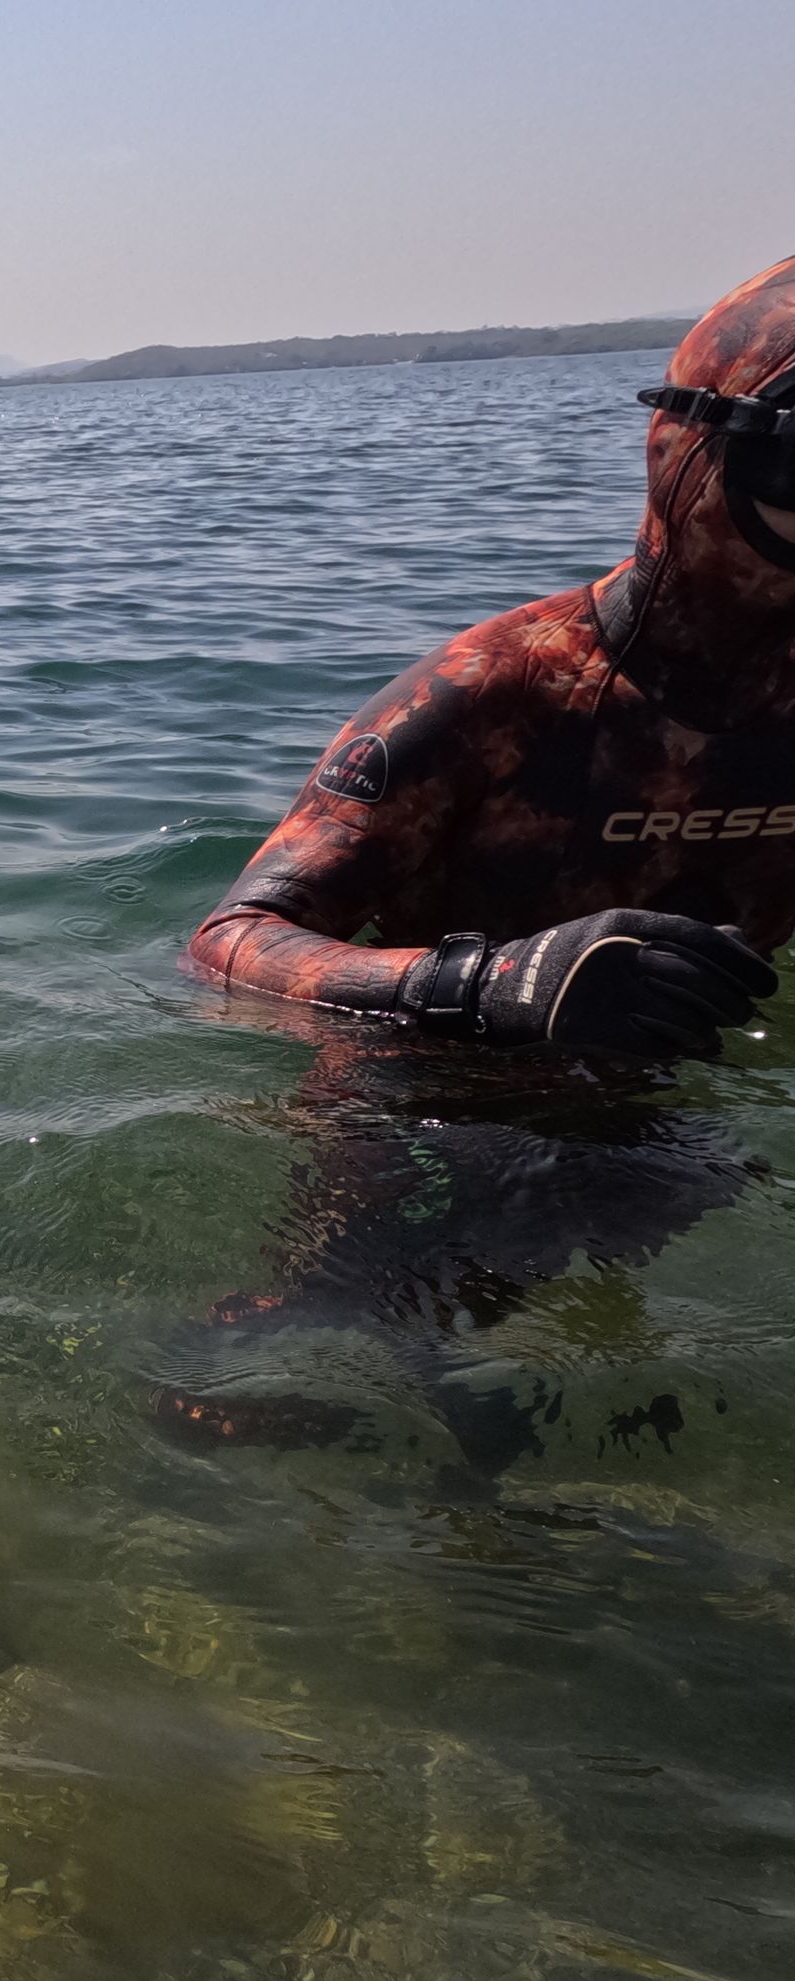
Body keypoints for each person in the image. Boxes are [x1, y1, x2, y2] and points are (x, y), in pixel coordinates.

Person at [167, 258, 795, 1461]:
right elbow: (226, 946)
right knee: (290, 1379)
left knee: (603, 1407)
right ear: (699, 453)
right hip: (413, 1105)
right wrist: (488, 986)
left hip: (657, 1109)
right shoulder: (499, 693)